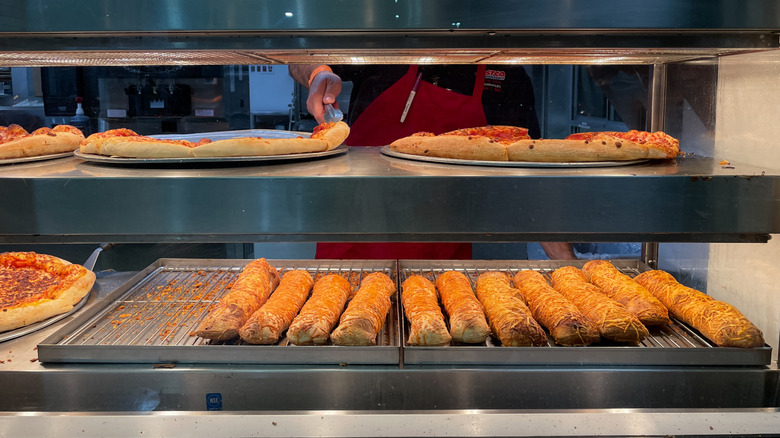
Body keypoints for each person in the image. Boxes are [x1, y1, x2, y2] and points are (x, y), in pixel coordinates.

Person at [289, 64, 576, 260]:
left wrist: (566, 262)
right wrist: (318, 74)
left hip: (441, 251)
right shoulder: (386, 43)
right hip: (355, 232)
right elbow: (299, 56)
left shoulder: (505, 73)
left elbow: (533, 180)